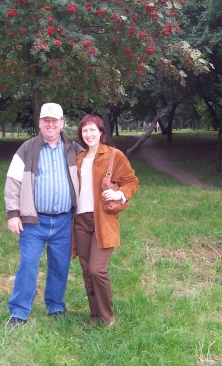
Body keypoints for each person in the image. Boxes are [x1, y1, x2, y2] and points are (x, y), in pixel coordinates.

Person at [4, 103, 83, 328]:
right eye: (46, 120)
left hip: (64, 220)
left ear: (62, 123)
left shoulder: (74, 149)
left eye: (55, 120)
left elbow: (91, 172)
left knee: (60, 266)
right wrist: (13, 214)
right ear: (39, 123)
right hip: (33, 221)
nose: (50, 124)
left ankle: (55, 306)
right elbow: (13, 183)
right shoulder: (27, 149)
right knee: (28, 264)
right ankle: (19, 312)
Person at [73, 114, 139, 325]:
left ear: (101, 132)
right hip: (80, 221)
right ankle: (94, 316)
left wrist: (119, 194)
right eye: (85, 130)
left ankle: (107, 317)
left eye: (93, 130)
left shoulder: (114, 155)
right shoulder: (80, 158)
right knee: (86, 270)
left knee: (97, 269)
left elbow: (131, 180)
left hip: (102, 221)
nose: (89, 134)